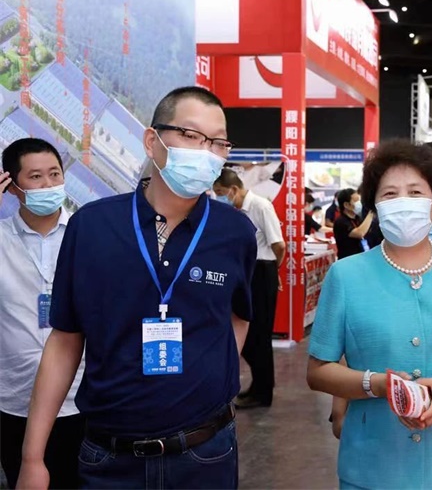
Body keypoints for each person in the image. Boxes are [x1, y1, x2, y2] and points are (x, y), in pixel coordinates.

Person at [17, 86, 257, 490]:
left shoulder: (235, 232)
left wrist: (204, 379)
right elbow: (65, 340)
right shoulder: (92, 227)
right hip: (110, 456)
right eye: (191, 135)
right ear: (152, 140)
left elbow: (238, 316)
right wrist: (32, 457)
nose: (205, 152)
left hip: (205, 451)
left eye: (218, 142)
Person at [307, 139, 432, 489]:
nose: (403, 202)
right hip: (372, 465)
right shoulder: (346, 275)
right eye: (390, 194)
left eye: (415, 192)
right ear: (374, 206)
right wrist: (376, 384)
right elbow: (318, 371)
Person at [0, 139, 85, 490]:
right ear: (12, 186)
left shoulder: (86, 235)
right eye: (35, 177)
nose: (49, 184)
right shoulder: (1, 238)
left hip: (81, 398)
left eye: (55, 174)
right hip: (15, 400)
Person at [213, 168, 285, 409]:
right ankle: (258, 385)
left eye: (221, 192)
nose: (219, 197)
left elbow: (279, 245)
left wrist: (274, 270)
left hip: (262, 270)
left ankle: (263, 393)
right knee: (247, 331)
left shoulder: (261, 206)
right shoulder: (237, 211)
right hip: (247, 271)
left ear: (233, 189)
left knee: (260, 335)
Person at [332, 188, 373, 259]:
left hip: (361, 257)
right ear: (346, 205)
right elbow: (360, 233)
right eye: (356, 201)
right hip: (348, 259)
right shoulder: (341, 221)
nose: (359, 203)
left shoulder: (358, 218)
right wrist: (371, 213)